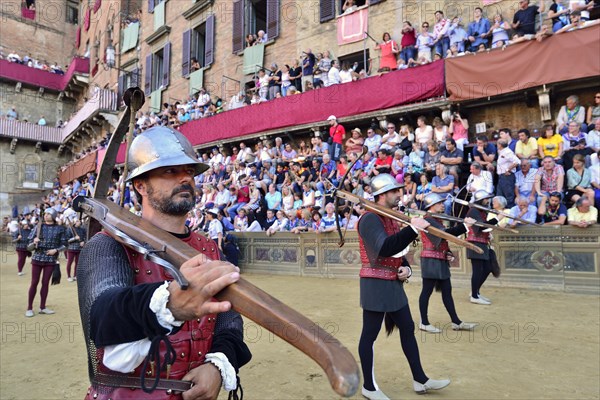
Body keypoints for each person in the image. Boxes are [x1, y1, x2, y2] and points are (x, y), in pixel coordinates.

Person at [77, 127, 251, 399]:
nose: (185, 178)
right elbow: (102, 317)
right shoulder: (108, 244)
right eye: (169, 171)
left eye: (190, 172)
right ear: (140, 185)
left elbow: (227, 317)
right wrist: (168, 303)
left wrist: (218, 363)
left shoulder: (208, 248)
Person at [356, 173, 450, 400]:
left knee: (407, 328)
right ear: (383, 195)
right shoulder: (370, 218)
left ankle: (420, 379)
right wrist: (414, 229)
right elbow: (385, 247)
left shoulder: (390, 218)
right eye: (395, 191)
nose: (400, 194)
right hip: (374, 283)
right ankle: (369, 386)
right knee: (370, 335)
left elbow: (398, 252)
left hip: (392, 282)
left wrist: (406, 269)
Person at [418, 193, 477, 334]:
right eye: (439, 203)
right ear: (431, 205)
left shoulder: (436, 219)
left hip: (439, 258)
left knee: (447, 291)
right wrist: (465, 226)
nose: (442, 204)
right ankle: (424, 322)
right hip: (431, 259)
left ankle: (456, 322)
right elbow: (445, 234)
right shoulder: (428, 219)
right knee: (427, 291)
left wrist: (448, 252)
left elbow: (443, 240)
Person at [26, 208, 67, 317]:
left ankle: (42, 307)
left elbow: (64, 244)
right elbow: (28, 247)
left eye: (48, 214)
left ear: (53, 216)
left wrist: (56, 250)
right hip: (37, 257)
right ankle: (29, 308)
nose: (46, 215)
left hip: (50, 259)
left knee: (45, 283)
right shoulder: (38, 227)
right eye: (45, 214)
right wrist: (34, 242)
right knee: (34, 282)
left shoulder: (60, 229)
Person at [465, 190, 497, 305]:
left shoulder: (480, 211)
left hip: (482, 242)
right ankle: (474, 295)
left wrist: (488, 234)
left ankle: (475, 291)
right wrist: (498, 219)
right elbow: (481, 227)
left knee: (487, 268)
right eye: (486, 199)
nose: (488, 201)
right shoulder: (473, 210)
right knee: (477, 270)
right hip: (474, 243)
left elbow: (483, 227)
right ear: (481, 200)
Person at [65, 217, 86, 282]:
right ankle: (68, 276)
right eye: (77, 221)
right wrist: (74, 238)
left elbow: (85, 237)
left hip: (79, 248)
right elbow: (67, 240)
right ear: (74, 222)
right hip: (71, 248)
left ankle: (75, 275)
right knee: (69, 262)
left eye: (79, 221)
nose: (79, 222)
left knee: (77, 263)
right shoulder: (69, 229)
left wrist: (83, 242)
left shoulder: (82, 229)